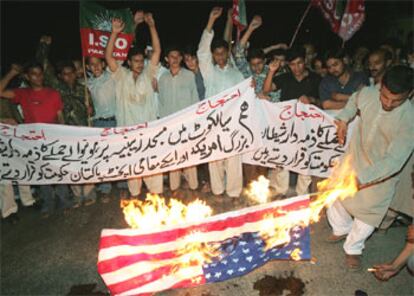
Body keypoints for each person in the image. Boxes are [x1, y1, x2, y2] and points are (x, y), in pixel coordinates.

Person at [326, 65, 414, 270]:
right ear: (381, 87)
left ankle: (354, 248)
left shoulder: (410, 121)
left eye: (397, 100)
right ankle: (340, 228)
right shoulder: (367, 93)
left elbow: (393, 161)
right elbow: (353, 101)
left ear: (410, 94)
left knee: (369, 214)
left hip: (380, 173)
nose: (389, 104)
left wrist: (361, 178)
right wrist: (344, 119)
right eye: (385, 97)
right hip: (354, 158)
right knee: (336, 196)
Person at [0, 62, 73, 218]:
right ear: (27, 77)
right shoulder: (23, 93)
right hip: (33, 142)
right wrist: (12, 73)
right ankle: (48, 204)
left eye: (40, 73)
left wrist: (63, 133)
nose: (38, 77)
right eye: (33, 74)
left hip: (53, 138)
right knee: (41, 173)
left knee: (59, 171)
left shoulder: (53, 93)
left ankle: (65, 201)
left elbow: (60, 116)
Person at [105, 13, 163, 199]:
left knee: (153, 166)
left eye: (141, 61)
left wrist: (152, 26)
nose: (139, 64)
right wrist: (114, 33)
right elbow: (108, 56)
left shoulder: (148, 74)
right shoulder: (121, 76)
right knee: (132, 166)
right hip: (127, 133)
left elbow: (157, 51)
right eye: (135, 61)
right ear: (129, 63)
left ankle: (156, 197)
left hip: (148, 132)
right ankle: (135, 198)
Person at [197, 7, 244, 201]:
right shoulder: (209, 72)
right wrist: (210, 21)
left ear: (227, 53)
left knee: (233, 158)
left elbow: (245, 97)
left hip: (233, 123)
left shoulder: (236, 74)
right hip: (214, 122)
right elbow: (201, 53)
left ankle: (233, 192)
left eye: (223, 53)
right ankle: (217, 191)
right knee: (215, 158)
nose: (220, 57)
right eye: (216, 54)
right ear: (213, 56)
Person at [263, 47, 321, 198]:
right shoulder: (286, 78)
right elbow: (266, 90)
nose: (296, 68)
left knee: (305, 161)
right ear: (288, 65)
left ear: (305, 61)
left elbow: (324, 102)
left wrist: (312, 100)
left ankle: (302, 194)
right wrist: (271, 71)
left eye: (299, 63)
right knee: (283, 159)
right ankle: (280, 191)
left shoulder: (316, 79)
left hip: (309, 126)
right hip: (287, 125)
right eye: (292, 64)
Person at [158, 46, 199, 193]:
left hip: (187, 123)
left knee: (189, 155)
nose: (174, 59)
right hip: (169, 124)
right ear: (167, 59)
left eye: (177, 56)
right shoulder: (162, 78)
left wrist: (194, 122)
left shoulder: (189, 76)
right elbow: (161, 103)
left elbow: (195, 99)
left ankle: (193, 185)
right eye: (171, 56)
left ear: (181, 58)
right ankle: (174, 187)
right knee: (172, 155)